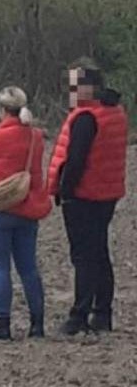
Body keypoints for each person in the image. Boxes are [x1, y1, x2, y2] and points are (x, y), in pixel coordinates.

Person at [47, 59, 127, 335]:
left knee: (83, 257)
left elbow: (76, 159)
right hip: (108, 192)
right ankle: (102, 313)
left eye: (74, 86)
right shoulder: (114, 111)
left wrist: (64, 191)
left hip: (84, 195)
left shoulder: (85, 117)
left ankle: (79, 314)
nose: (71, 92)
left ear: (87, 88)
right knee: (100, 253)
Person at [0, 87, 50, 340]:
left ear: (2, 109)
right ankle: (37, 323)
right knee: (28, 268)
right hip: (28, 207)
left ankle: (2, 322)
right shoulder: (36, 137)